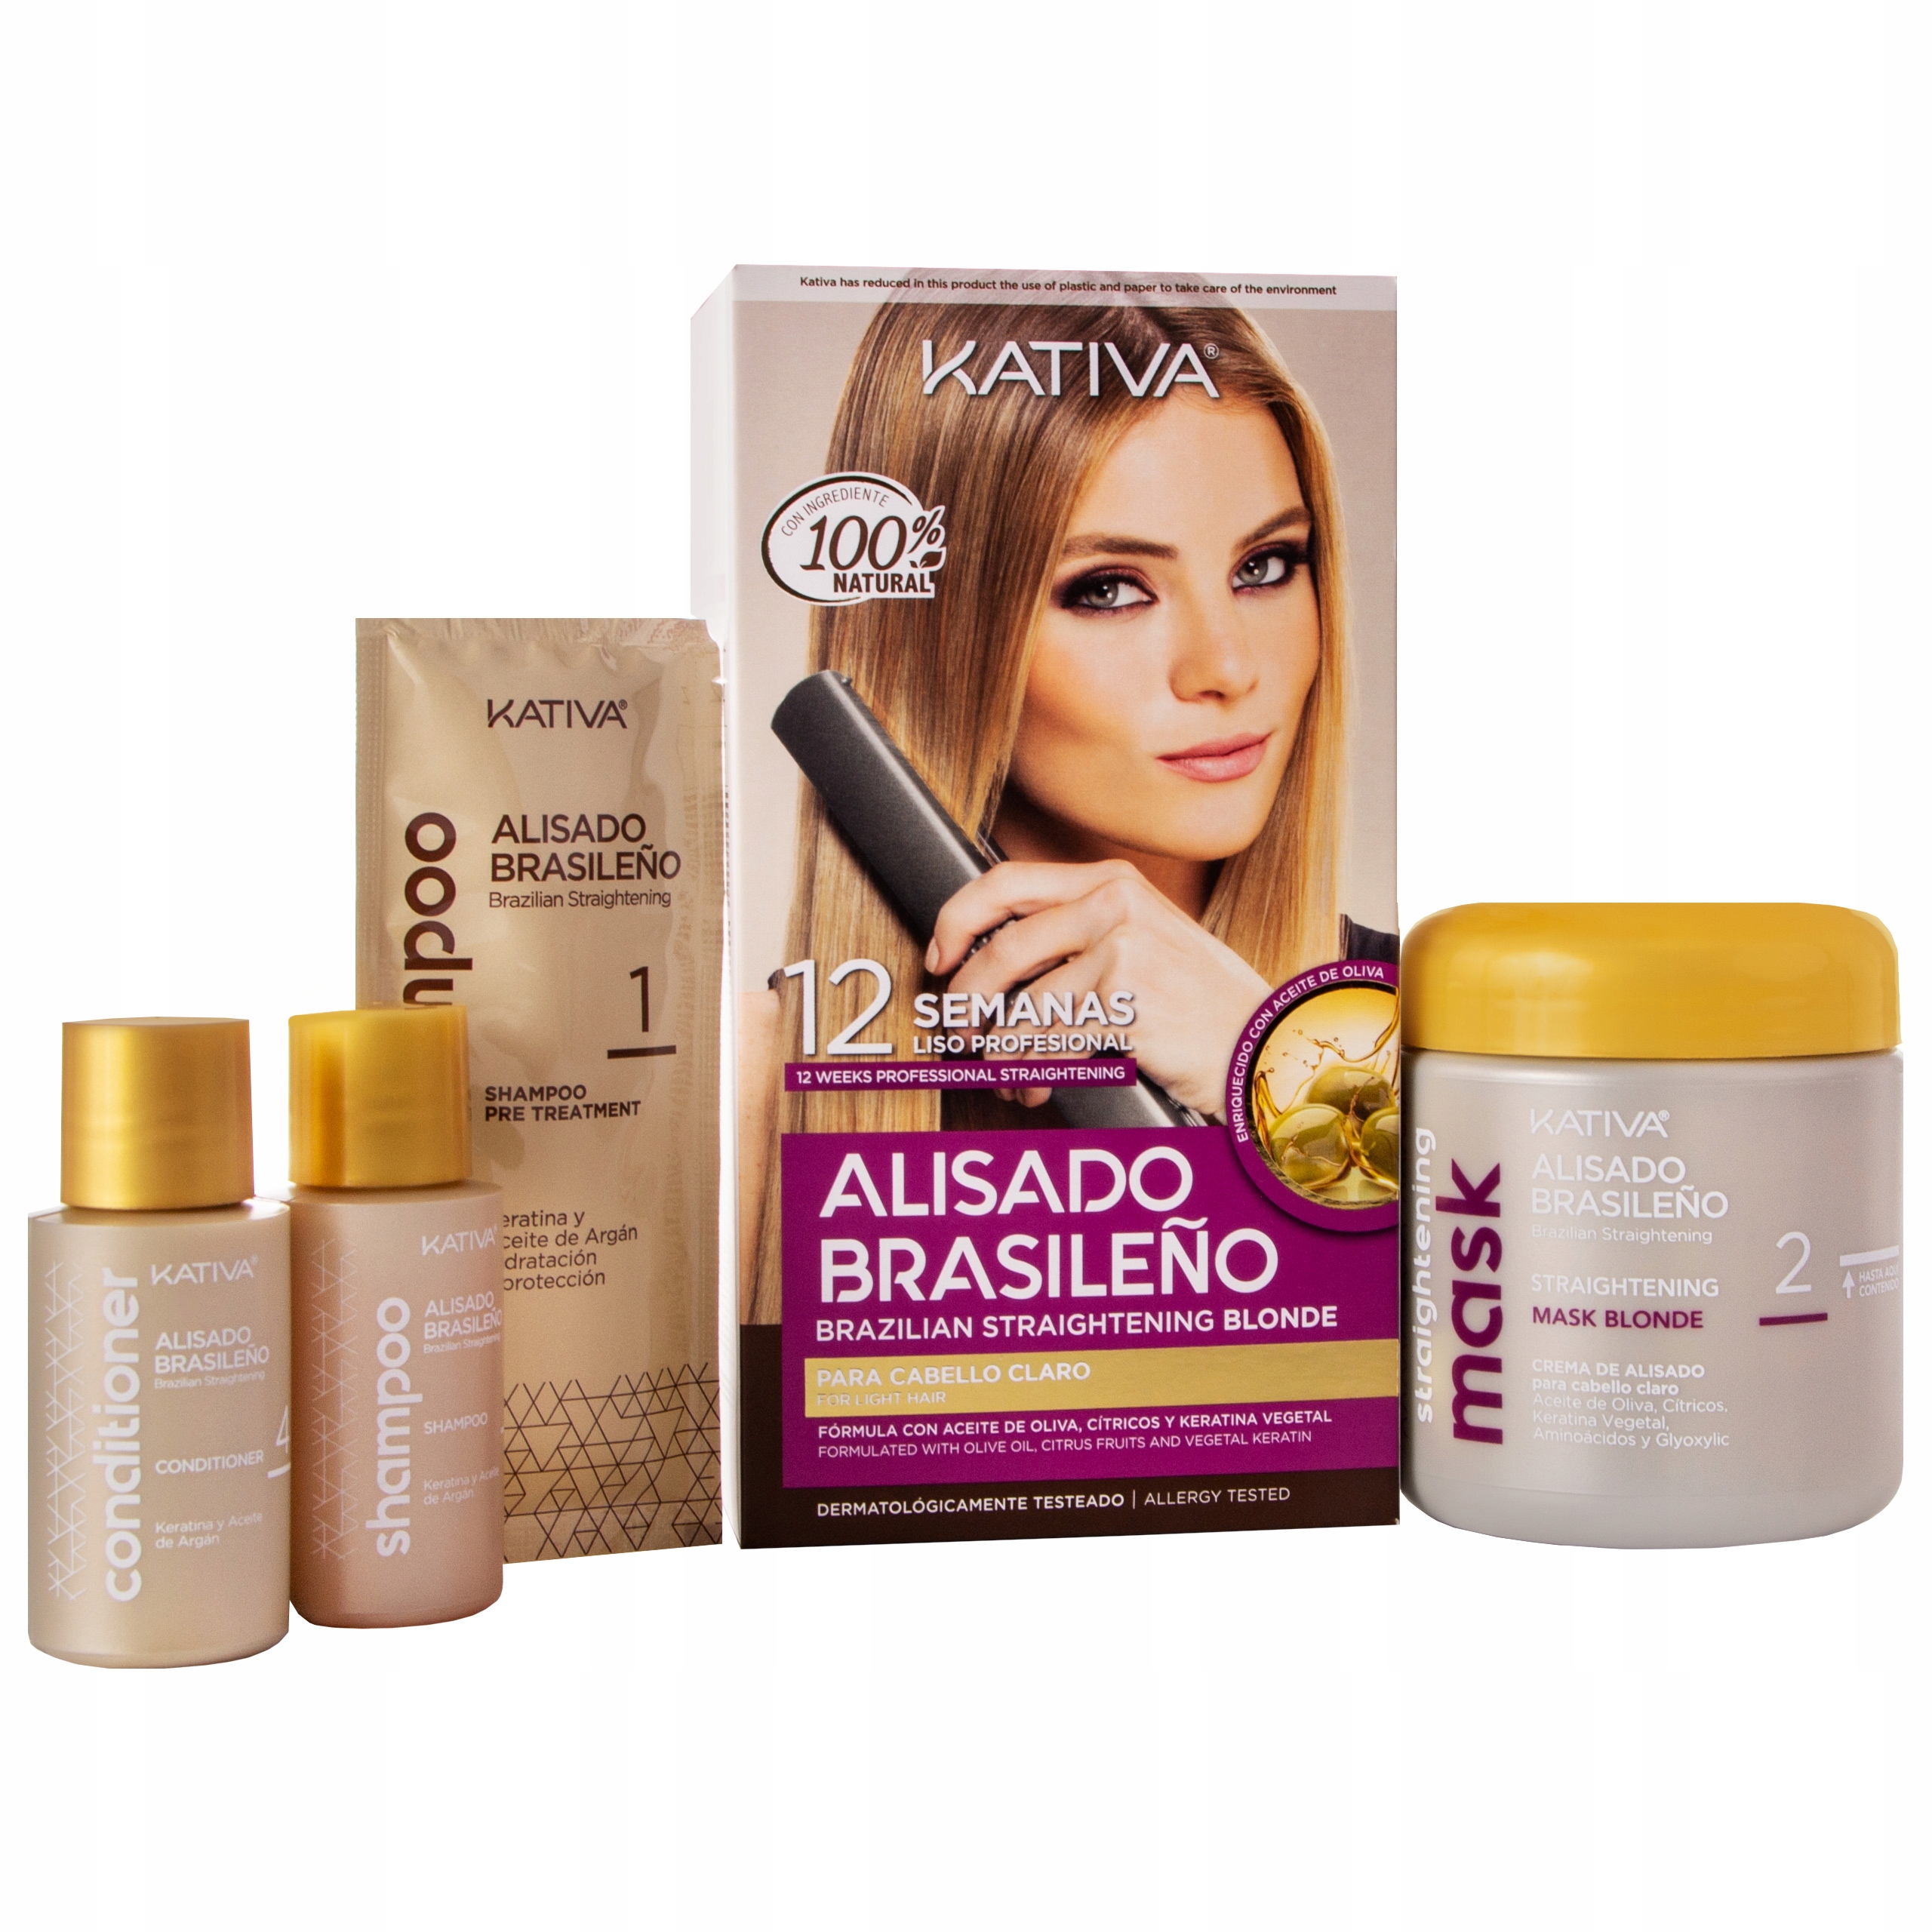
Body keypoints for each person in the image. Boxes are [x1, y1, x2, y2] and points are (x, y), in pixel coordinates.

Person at [740, 303, 1352, 1322]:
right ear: (941, 640)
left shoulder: (1422, 1043)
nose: (1228, 667)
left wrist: (1271, 1070)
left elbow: (1476, 1374)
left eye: (1265, 566)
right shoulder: (760, 1086)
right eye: (1108, 589)